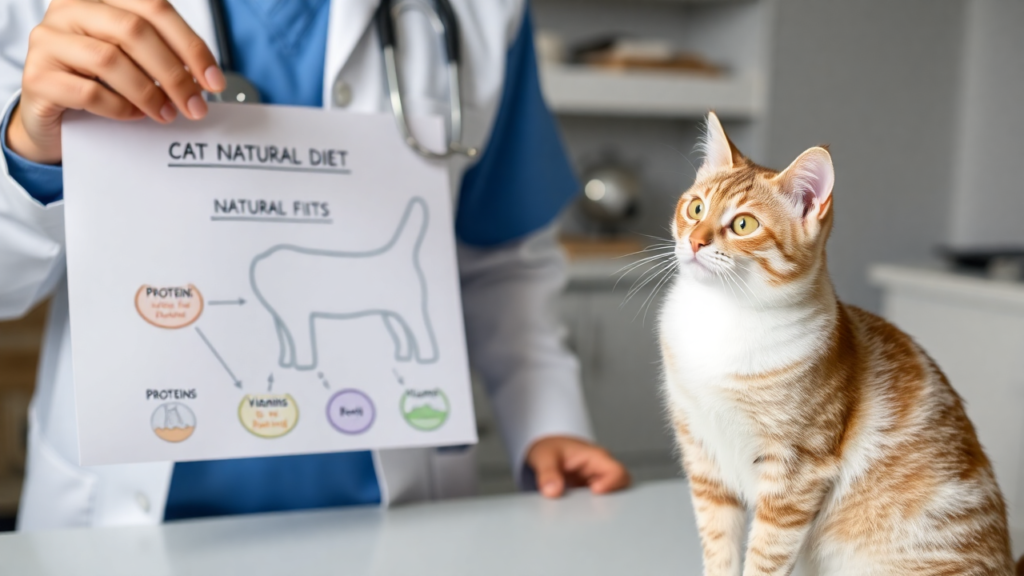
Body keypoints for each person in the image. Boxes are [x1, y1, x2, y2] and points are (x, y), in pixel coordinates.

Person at [0, 0, 630, 530]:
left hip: (396, 525)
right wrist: (29, 152)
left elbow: (503, 265)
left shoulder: (483, 12)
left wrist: (548, 426)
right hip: (121, 527)